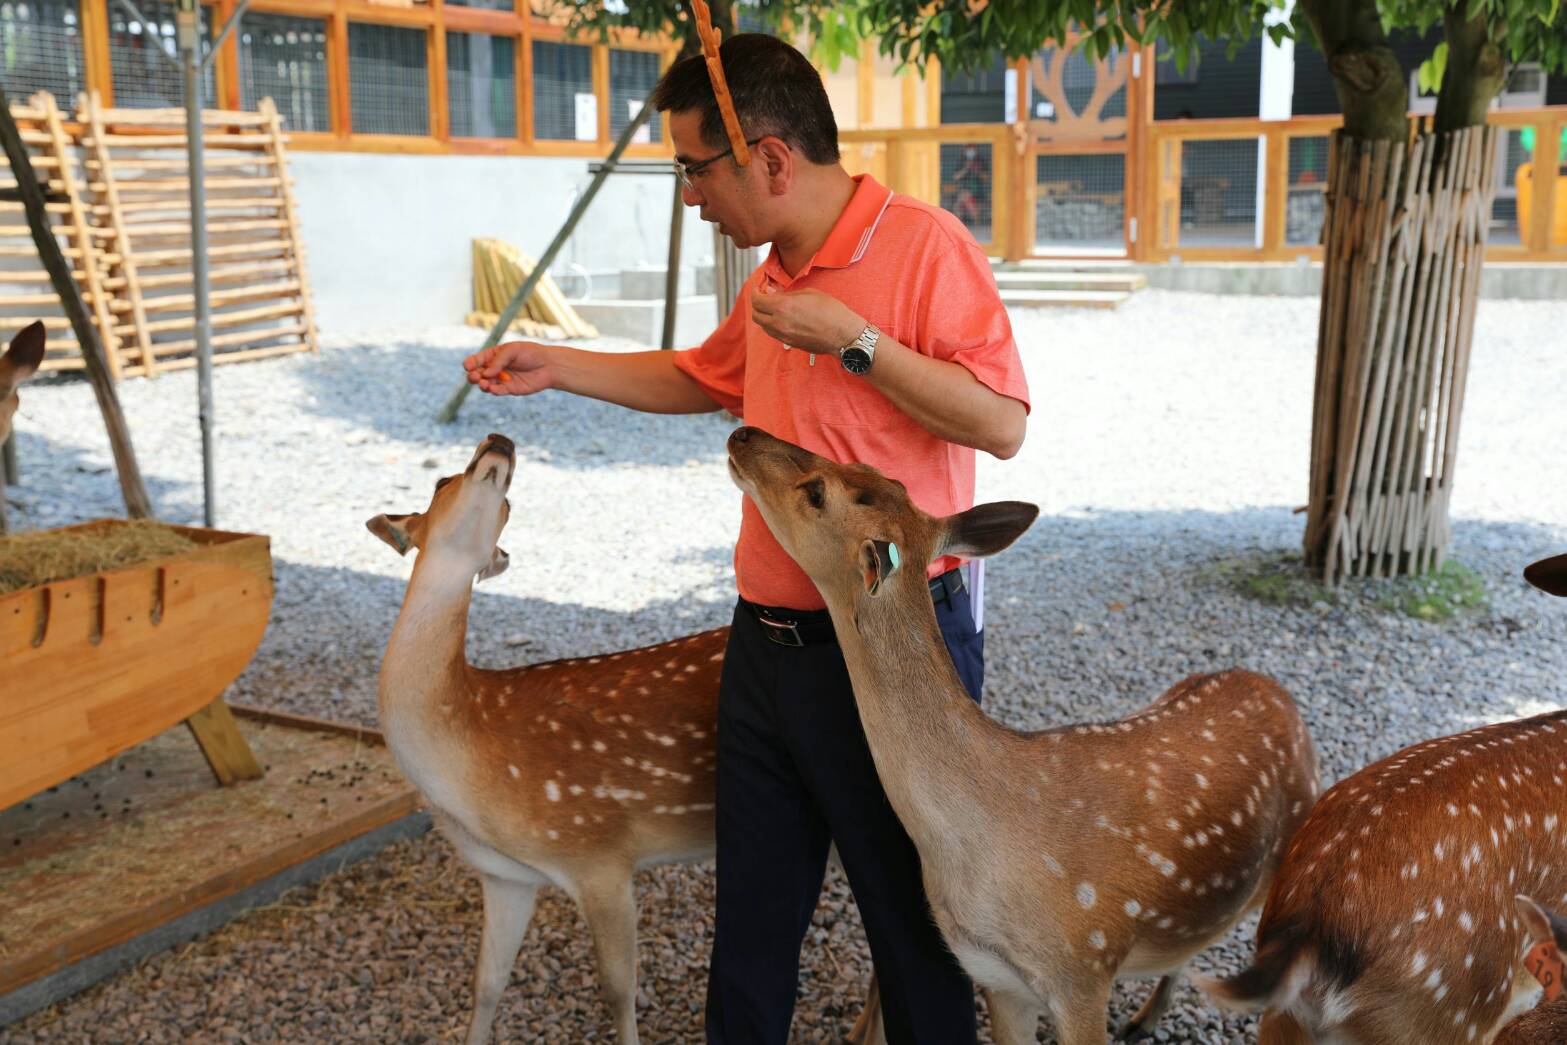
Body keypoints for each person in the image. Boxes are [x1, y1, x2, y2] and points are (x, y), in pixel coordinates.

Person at [463, 33, 1029, 1045]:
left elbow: (999, 422)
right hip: (762, 647)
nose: (688, 194)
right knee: (753, 923)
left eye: (693, 167)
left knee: (914, 930)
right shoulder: (768, 279)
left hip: (889, 651)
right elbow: (705, 379)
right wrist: (560, 363)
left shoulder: (926, 246)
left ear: (769, 158)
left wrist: (854, 342)